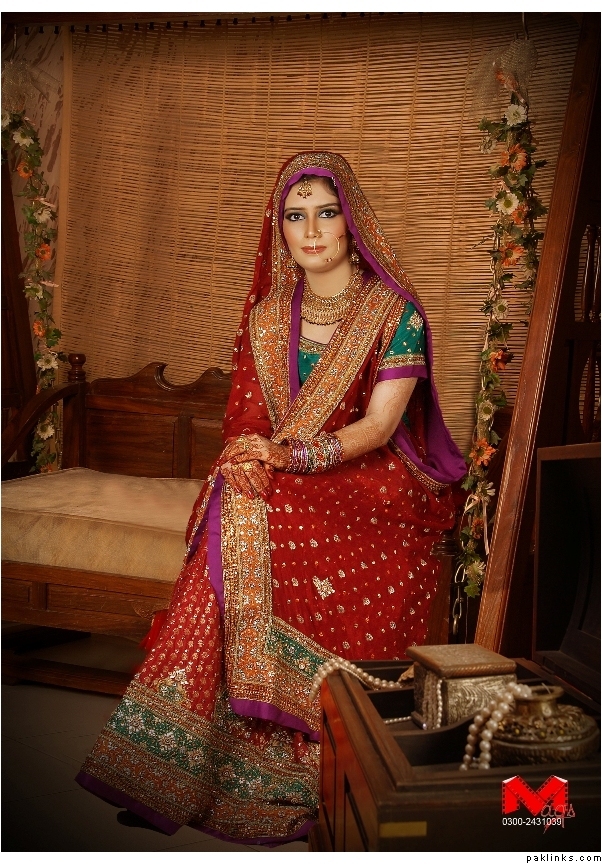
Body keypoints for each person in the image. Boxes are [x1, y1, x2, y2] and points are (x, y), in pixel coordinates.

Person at [76, 151, 466, 844]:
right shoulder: (266, 318)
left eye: (326, 213)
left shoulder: (393, 312)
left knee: (253, 508)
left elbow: (379, 428)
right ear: (278, 227)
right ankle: (178, 761)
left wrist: (294, 457)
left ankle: (251, 764)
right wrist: (249, 457)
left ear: (352, 221)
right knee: (236, 498)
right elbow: (248, 419)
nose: (311, 231)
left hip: (370, 480)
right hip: (287, 472)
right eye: (295, 215)